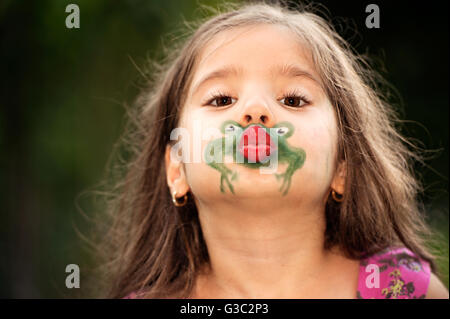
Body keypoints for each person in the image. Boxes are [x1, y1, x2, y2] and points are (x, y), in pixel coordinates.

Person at [98, 1, 448, 299]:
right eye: (222, 99)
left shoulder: (402, 287)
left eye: (293, 99)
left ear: (342, 167)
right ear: (177, 169)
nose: (255, 110)